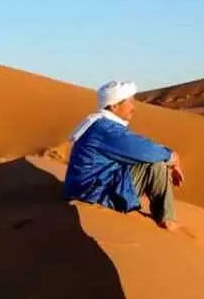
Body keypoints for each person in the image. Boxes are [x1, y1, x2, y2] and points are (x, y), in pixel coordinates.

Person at [64, 80, 185, 231]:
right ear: (114, 106)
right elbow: (145, 151)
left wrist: (167, 155)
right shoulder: (106, 130)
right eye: (129, 102)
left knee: (156, 158)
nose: (133, 107)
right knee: (156, 165)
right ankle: (167, 220)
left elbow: (140, 147)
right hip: (95, 195)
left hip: (90, 188)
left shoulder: (100, 125)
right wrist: (173, 157)